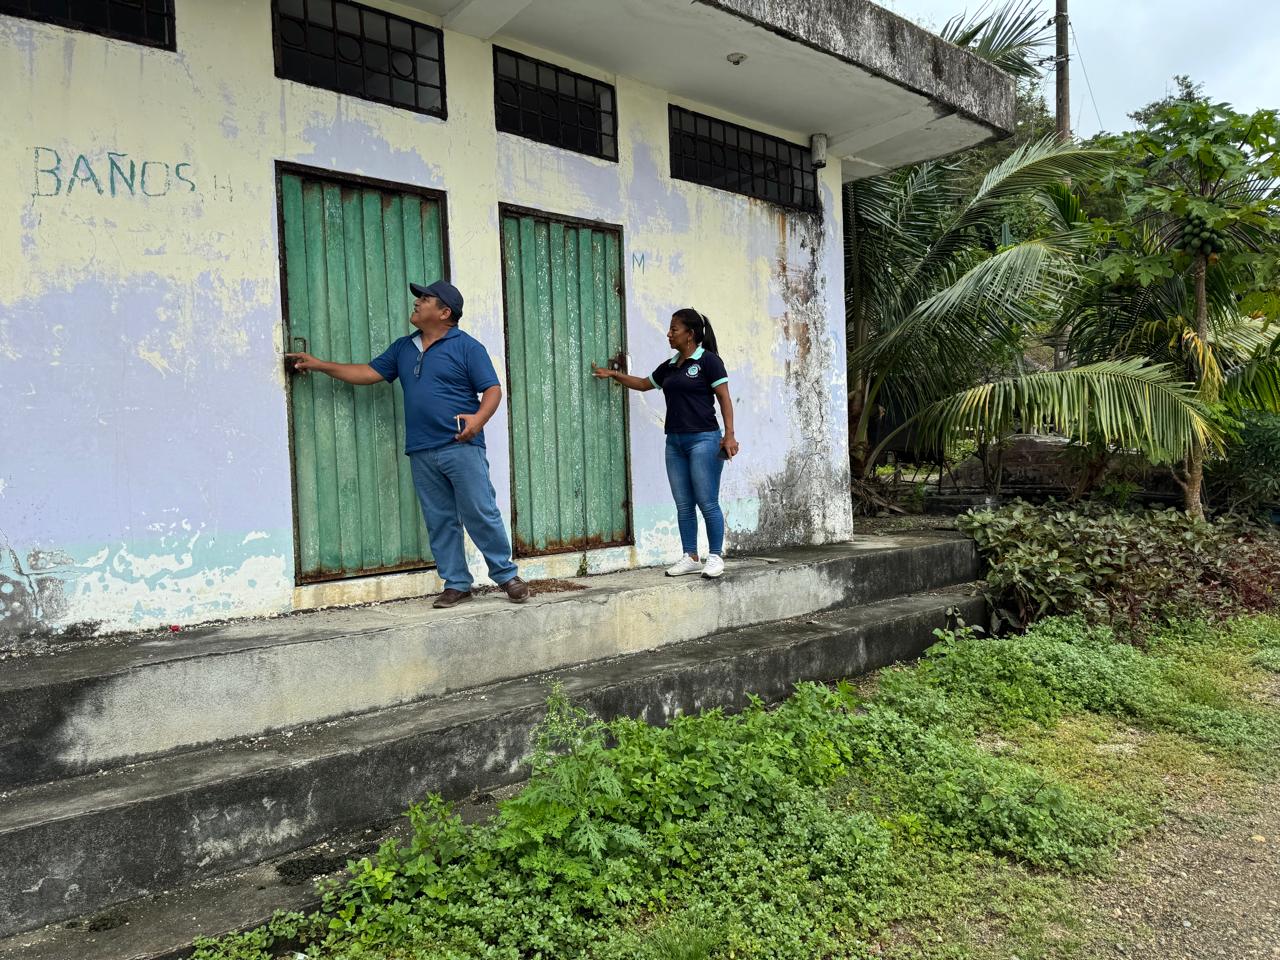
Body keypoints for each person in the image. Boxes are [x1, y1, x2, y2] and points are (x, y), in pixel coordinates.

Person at [286, 279, 530, 609]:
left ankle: (506, 575)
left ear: (445, 312)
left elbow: (492, 389)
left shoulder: (467, 347)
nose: (417, 302)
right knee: (439, 518)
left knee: (480, 511)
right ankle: (457, 583)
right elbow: (368, 373)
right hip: (421, 448)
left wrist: (478, 420)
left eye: (426, 298)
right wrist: (320, 365)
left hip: (461, 444)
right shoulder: (404, 347)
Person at [592, 309, 738, 579]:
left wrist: (729, 435)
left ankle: (715, 556)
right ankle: (690, 556)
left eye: (674, 329)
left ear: (690, 334)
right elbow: (643, 384)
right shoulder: (670, 366)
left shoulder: (709, 361)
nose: (669, 334)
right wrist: (613, 375)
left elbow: (724, 399)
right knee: (684, 504)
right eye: (670, 329)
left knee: (707, 502)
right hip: (675, 443)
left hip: (704, 439)